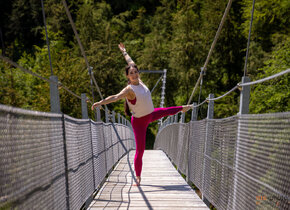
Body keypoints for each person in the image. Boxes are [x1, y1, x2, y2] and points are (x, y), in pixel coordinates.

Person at [91, 43, 192, 186]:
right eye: (131, 73)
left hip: (150, 115)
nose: (134, 74)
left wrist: (124, 51)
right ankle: (138, 177)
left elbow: (131, 62)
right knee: (140, 150)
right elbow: (114, 97)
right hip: (139, 122)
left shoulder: (141, 82)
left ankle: (182, 108)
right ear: (127, 76)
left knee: (167, 110)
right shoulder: (129, 89)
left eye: (135, 72)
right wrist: (100, 102)